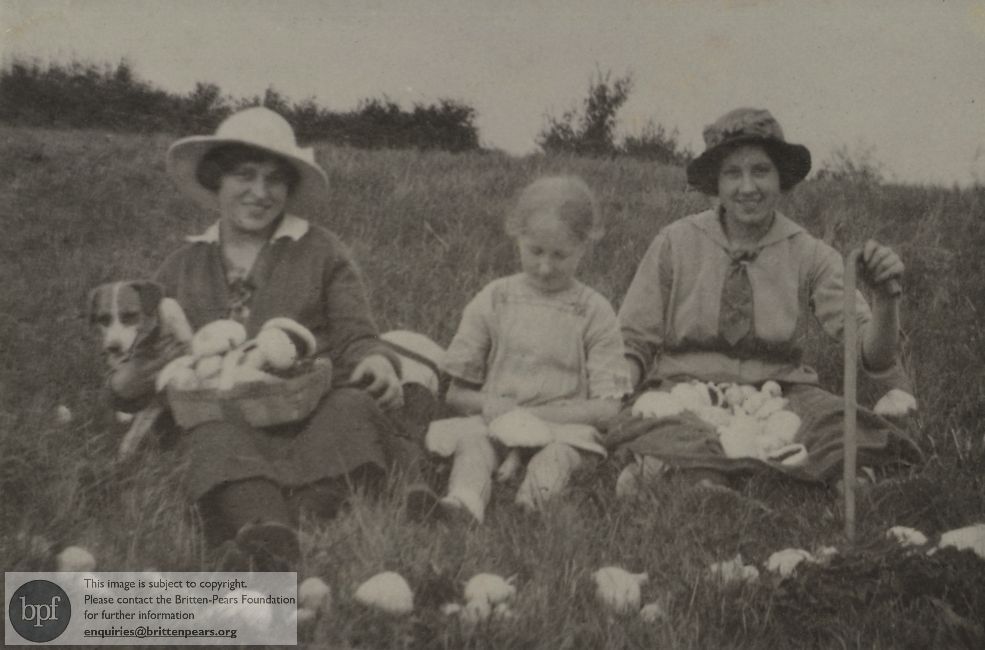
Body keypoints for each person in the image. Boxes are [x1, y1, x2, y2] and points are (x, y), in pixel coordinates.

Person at [109, 107, 438, 570]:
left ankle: (294, 519)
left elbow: (356, 334)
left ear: (289, 189)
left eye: (274, 180)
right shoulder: (181, 266)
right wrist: (132, 380)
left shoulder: (322, 250)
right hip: (224, 416)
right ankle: (264, 526)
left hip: (311, 408)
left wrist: (375, 359)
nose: (260, 193)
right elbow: (139, 367)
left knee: (354, 409)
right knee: (207, 439)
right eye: (245, 175)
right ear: (216, 179)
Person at [610, 107, 921, 489]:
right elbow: (632, 340)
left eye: (760, 171)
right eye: (732, 173)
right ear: (716, 182)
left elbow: (872, 355)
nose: (747, 187)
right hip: (687, 390)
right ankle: (701, 483)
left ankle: (848, 482)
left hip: (781, 395)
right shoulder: (675, 243)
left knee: (839, 427)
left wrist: (885, 298)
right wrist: (616, 400)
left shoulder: (809, 253)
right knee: (663, 423)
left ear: (780, 177)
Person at [436, 176, 631, 522]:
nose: (545, 267)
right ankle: (465, 501)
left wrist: (538, 418)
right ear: (518, 238)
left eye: (560, 255)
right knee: (474, 446)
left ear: (583, 247)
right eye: (535, 251)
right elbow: (455, 394)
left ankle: (533, 503)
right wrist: (490, 405)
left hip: (563, 426)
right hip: (497, 420)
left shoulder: (595, 311)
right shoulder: (494, 299)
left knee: (557, 457)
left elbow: (608, 408)